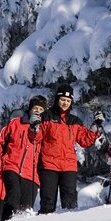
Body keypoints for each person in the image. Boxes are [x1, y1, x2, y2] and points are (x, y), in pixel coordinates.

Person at [37, 83, 103, 214]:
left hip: (68, 166)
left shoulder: (75, 121)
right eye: (62, 100)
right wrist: (34, 126)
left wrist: (96, 125)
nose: (65, 103)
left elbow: (85, 140)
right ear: (57, 99)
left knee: (70, 203)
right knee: (48, 201)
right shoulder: (46, 116)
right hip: (49, 164)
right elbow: (36, 138)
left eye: (68, 101)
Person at [0, 97, 45, 220]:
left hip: (31, 173)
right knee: (13, 196)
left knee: (26, 208)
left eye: (41, 109)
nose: (38, 111)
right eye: (35, 108)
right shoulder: (16, 123)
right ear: (30, 109)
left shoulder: (44, 129)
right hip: (12, 166)